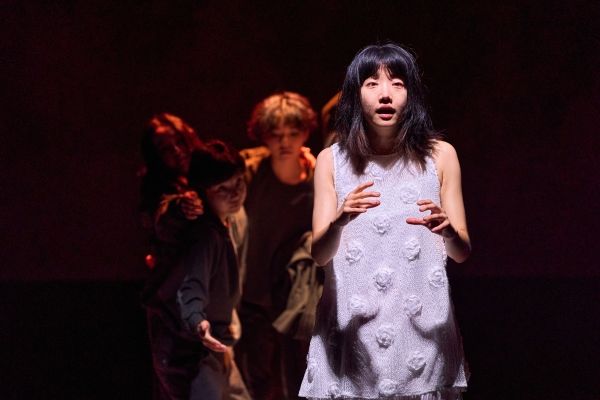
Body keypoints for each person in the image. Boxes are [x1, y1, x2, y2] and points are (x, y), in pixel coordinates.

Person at [299, 43, 471, 399]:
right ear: (355, 93)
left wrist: (449, 231)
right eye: (372, 83)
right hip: (352, 331)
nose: (385, 94)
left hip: (422, 332)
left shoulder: (440, 156)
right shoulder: (331, 160)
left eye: (397, 83)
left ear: (411, 93)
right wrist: (339, 220)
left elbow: (461, 252)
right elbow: (319, 254)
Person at [235, 92, 318, 400]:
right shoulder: (250, 171)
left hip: (295, 299)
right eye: (276, 134)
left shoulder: (318, 176)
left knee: (299, 380)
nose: (285, 142)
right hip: (253, 296)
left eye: (293, 134)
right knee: (259, 382)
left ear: (305, 134)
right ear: (263, 136)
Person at [174, 141, 250, 399]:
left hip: (220, 343)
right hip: (200, 350)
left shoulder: (232, 219)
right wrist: (198, 322)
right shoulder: (206, 235)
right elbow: (191, 285)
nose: (235, 193)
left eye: (238, 183)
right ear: (203, 193)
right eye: (221, 188)